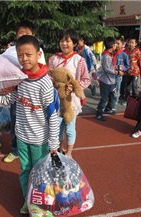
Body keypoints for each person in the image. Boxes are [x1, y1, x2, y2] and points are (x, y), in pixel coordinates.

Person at [15, 35, 59, 214]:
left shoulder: (44, 82)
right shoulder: (18, 77)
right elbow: (12, 98)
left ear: (38, 54)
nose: (24, 59)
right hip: (21, 136)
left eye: (28, 54)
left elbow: (52, 115)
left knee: (39, 173)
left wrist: (54, 142)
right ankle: (29, 201)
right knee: (25, 170)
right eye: (20, 55)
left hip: (39, 139)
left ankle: (42, 202)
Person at [3, 20, 46, 163]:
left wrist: (53, 142)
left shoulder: (39, 53)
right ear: (16, 35)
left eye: (27, 33)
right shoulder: (9, 52)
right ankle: (15, 149)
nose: (24, 58)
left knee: (36, 119)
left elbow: (42, 70)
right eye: (21, 33)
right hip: (18, 93)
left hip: (34, 94)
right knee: (17, 121)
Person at [48, 29, 90, 158]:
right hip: (56, 101)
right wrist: (55, 84)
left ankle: (70, 153)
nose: (64, 43)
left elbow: (86, 79)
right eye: (62, 40)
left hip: (71, 102)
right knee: (57, 128)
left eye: (67, 41)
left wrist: (73, 87)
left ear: (75, 43)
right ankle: (60, 148)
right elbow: (49, 77)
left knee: (70, 128)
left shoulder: (79, 60)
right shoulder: (53, 59)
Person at [103, 36, 130, 116]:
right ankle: (109, 106)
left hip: (118, 77)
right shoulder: (111, 53)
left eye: (118, 43)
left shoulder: (124, 55)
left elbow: (127, 66)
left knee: (116, 92)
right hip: (110, 77)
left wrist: (120, 70)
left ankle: (113, 107)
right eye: (115, 43)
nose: (116, 45)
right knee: (110, 92)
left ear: (122, 44)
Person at [120, 37, 141, 106]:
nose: (130, 44)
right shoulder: (124, 51)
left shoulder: (137, 51)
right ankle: (126, 99)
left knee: (134, 86)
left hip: (135, 72)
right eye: (129, 42)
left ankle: (134, 100)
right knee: (126, 87)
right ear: (127, 42)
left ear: (135, 44)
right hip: (126, 72)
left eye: (132, 42)